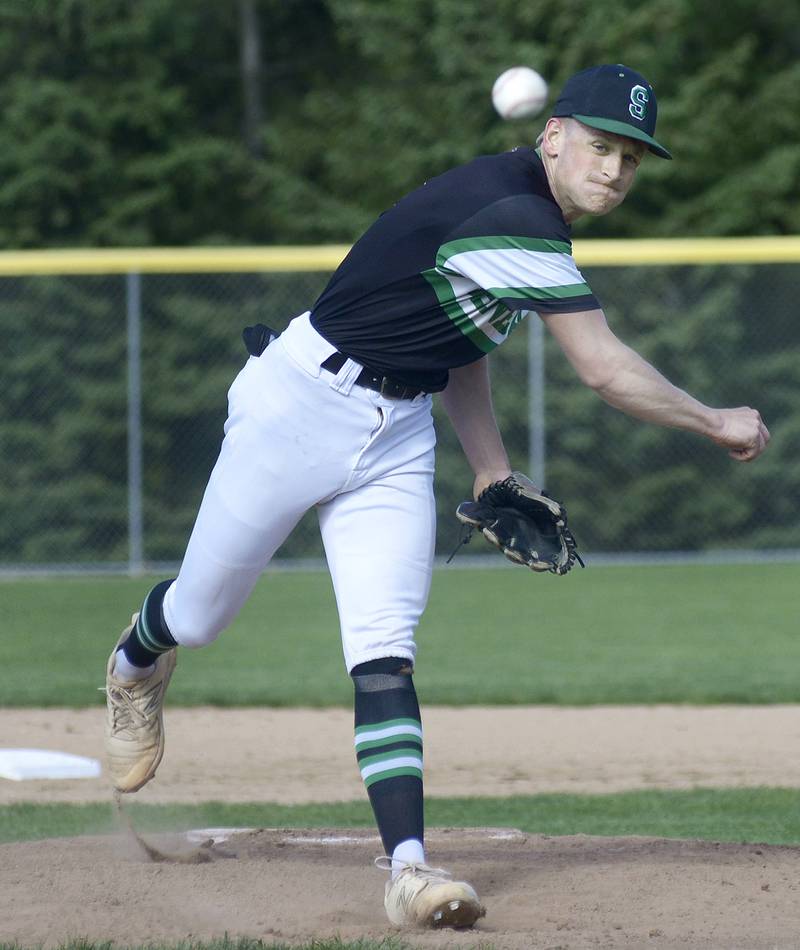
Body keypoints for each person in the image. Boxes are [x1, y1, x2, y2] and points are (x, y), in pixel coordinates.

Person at [103, 63, 770, 929]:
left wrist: (489, 468)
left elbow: (461, 339)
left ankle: (409, 870)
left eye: (631, 159)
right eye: (600, 147)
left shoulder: (519, 214)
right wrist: (716, 420)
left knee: (384, 647)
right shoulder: (517, 215)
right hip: (296, 407)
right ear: (554, 136)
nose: (614, 170)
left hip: (398, 430)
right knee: (197, 618)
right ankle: (133, 665)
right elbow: (605, 371)